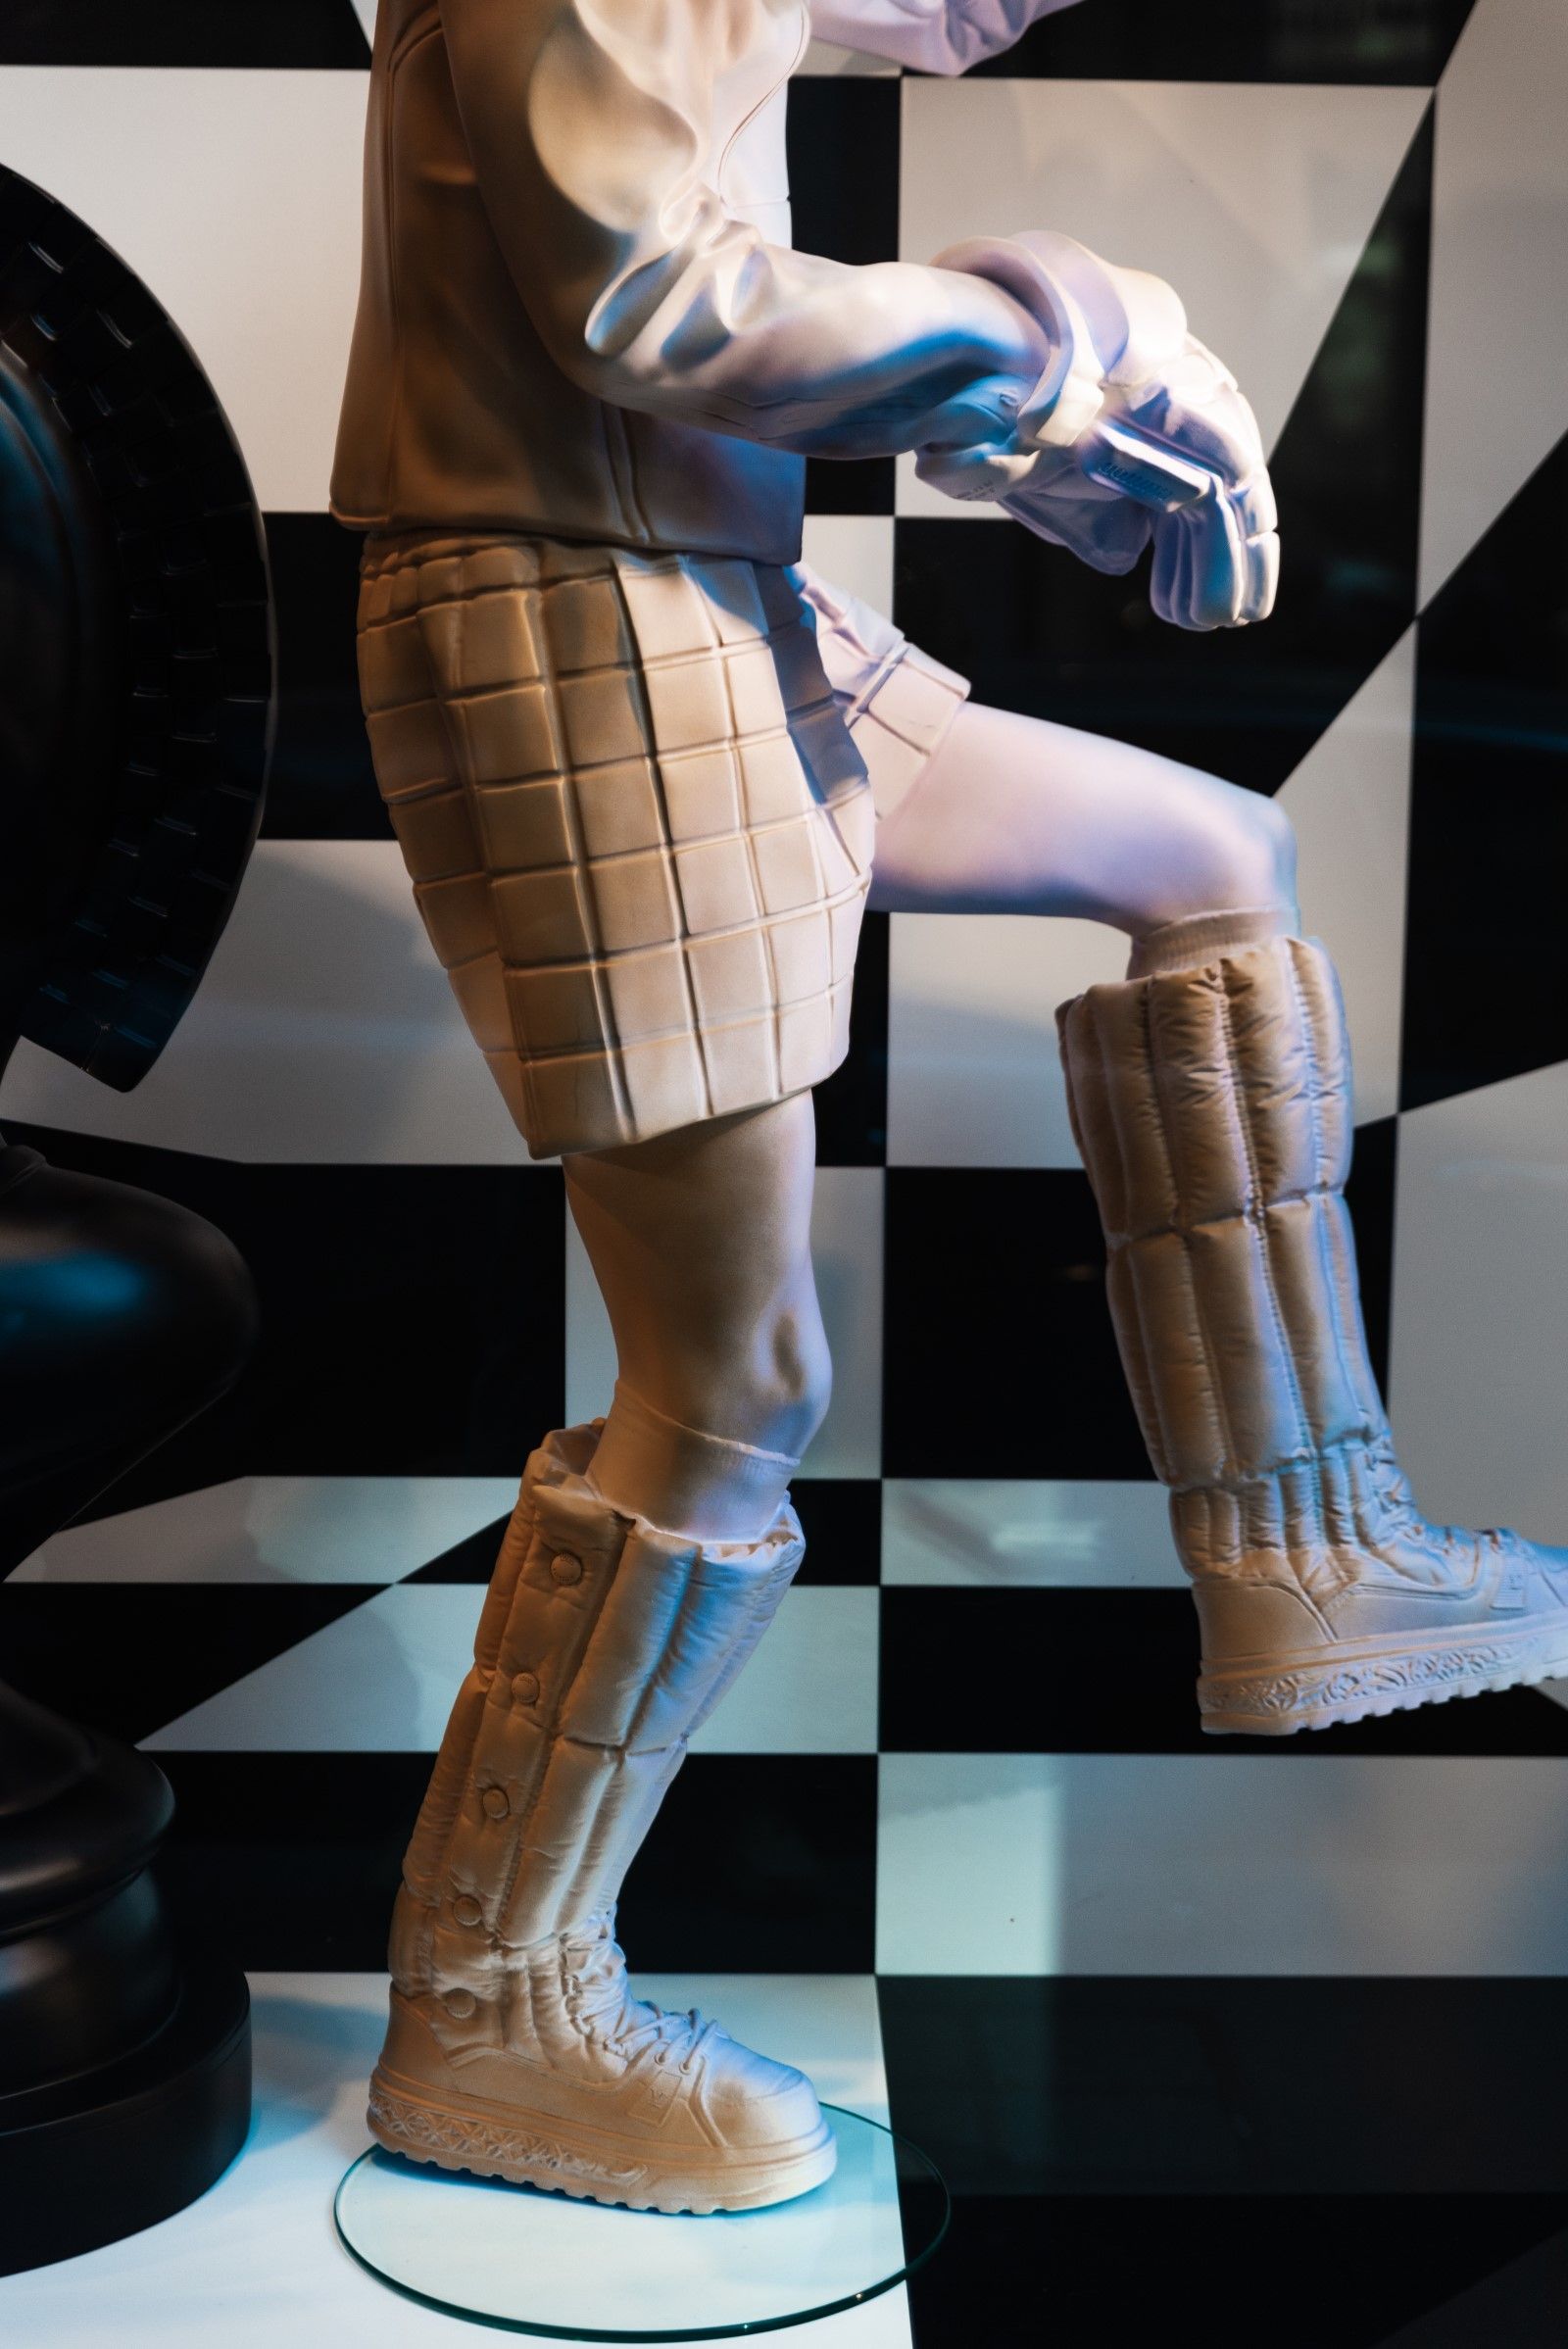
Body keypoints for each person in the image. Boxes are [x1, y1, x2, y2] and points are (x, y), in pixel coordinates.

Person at [332, 0, 1568, 2213]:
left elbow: (684, 275)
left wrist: (1059, 365)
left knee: (1210, 856)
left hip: (686, 587)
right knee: (730, 1384)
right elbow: (656, 304)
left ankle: (1312, 1549)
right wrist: (1060, 346)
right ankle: (488, 2002)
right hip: (581, 609)